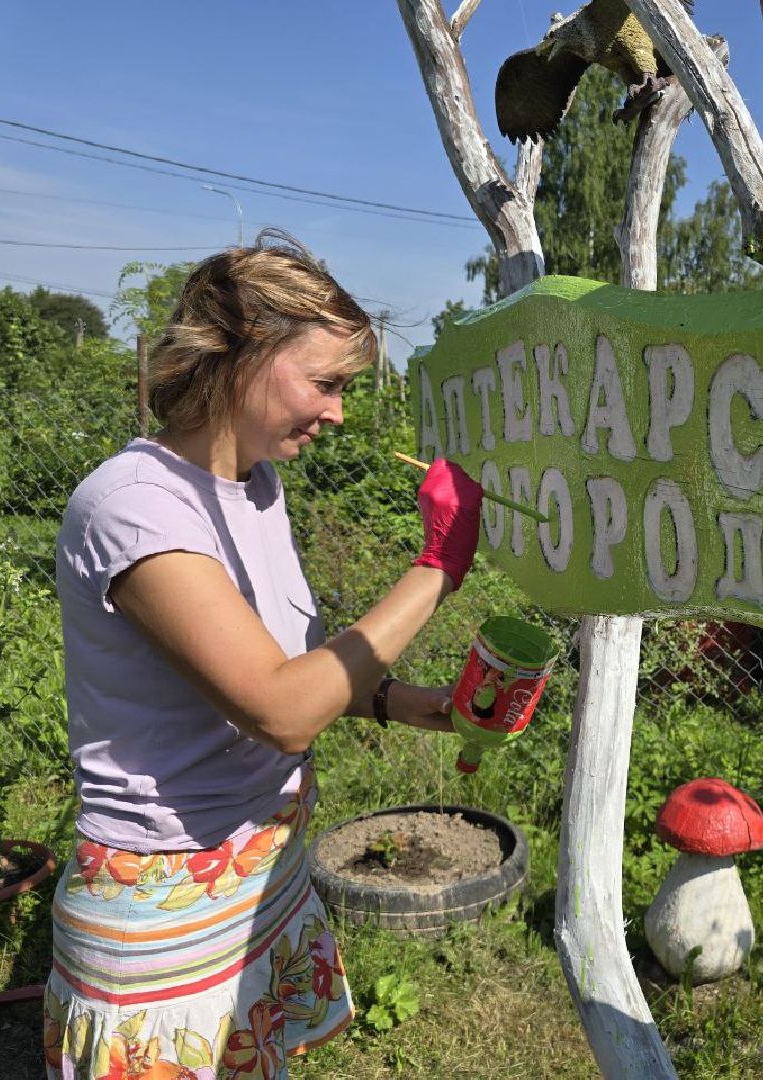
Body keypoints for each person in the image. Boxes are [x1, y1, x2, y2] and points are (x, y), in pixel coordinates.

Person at [44, 231, 482, 1078]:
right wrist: (436, 570)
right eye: (326, 383)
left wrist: (405, 701)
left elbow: (301, 663)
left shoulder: (255, 485)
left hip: (257, 869)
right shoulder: (134, 508)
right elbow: (281, 708)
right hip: (161, 901)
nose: (340, 412)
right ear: (239, 356)